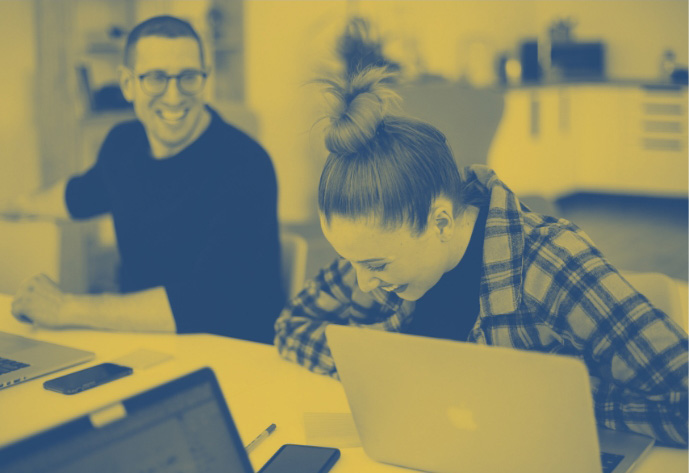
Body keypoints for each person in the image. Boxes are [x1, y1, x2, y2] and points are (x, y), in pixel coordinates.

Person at [274, 66, 688, 447]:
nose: (362, 282)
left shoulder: (550, 263)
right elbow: (292, 326)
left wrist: (566, 402)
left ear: (439, 222)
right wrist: (383, 367)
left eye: (376, 266)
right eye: (350, 260)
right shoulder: (376, 246)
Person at [1, 16, 284, 343]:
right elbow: (79, 195)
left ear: (205, 79)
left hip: (234, 355)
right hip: (143, 343)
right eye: (156, 78)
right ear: (127, 83)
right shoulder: (122, 145)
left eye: (188, 77)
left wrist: (66, 308)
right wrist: (15, 205)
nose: (174, 96)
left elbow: (207, 301)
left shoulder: (245, 165)